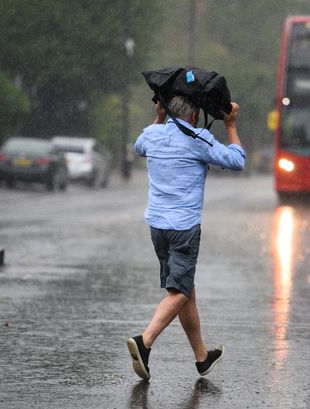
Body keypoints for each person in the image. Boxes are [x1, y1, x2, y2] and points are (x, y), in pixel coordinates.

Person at [128, 95, 245, 381]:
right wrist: (230, 125)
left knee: (185, 291)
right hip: (183, 228)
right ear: (194, 116)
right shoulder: (198, 138)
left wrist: (158, 117)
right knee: (179, 291)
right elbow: (237, 160)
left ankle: (202, 357)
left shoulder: (152, 134)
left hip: (157, 227)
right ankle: (145, 342)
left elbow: (138, 147)